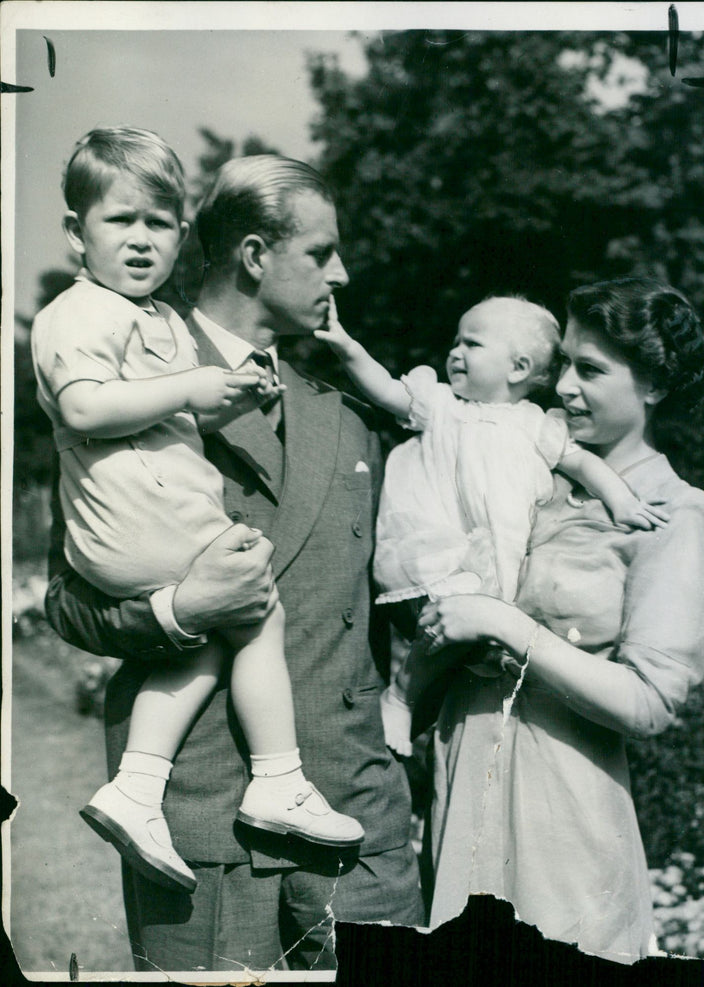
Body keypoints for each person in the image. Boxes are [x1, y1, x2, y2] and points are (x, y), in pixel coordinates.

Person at [44, 152, 424, 972]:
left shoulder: (347, 416)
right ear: (255, 255)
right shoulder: (126, 371)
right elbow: (67, 599)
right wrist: (179, 609)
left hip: (355, 821)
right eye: (322, 253)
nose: (344, 274)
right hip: (198, 819)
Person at [415, 278, 704, 963]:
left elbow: (649, 702)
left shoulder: (677, 513)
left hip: (564, 814)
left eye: (590, 369)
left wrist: (505, 624)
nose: (562, 386)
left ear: (653, 385)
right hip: (463, 777)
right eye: (562, 364)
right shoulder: (527, 477)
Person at [316, 294, 668, 756]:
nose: (455, 352)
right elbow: (384, 389)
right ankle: (400, 696)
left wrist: (621, 500)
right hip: (435, 551)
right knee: (454, 612)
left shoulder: (538, 426)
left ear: (518, 367)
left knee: (471, 635)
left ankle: (415, 712)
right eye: (456, 342)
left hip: (494, 562)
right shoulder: (440, 404)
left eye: (473, 344)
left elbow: (584, 466)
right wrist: (346, 348)